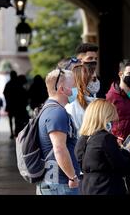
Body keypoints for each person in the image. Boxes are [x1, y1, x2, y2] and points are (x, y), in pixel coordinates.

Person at [36, 67, 80, 195]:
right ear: (62, 89)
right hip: (60, 185)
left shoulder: (48, 109)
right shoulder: (57, 113)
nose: (76, 89)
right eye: (73, 86)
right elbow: (59, 149)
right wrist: (72, 177)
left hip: (53, 183)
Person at [75, 99, 130, 195]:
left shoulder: (82, 139)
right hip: (107, 188)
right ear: (104, 118)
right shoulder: (106, 138)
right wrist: (125, 151)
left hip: (86, 188)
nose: (112, 123)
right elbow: (122, 167)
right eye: (111, 120)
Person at [106, 59, 130, 195]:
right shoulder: (111, 97)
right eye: (129, 73)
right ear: (120, 74)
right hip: (119, 149)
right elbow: (106, 124)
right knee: (120, 187)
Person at [66, 63, 99, 135]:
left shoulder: (94, 102)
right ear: (84, 81)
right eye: (93, 79)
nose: (96, 83)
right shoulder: (72, 106)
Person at [3, 71, 18, 139]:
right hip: (16, 104)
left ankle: (12, 132)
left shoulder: (8, 84)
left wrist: (7, 100)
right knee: (16, 119)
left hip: (10, 104)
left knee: (10, 119)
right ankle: (15, 131)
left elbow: (4, 93)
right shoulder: (17, 84)